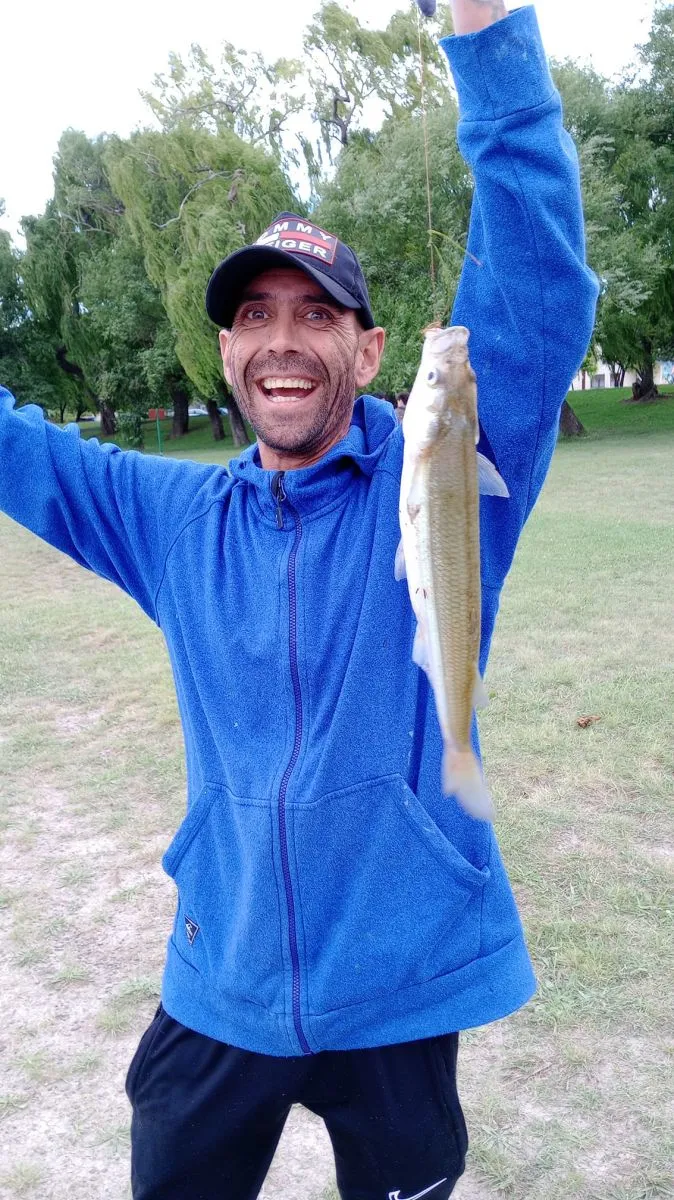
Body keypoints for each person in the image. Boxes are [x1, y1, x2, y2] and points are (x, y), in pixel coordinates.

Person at [0, 2, 598, 1198]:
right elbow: (23, 451)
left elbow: (534, 276)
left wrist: (484, 32)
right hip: (221, 973)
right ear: (225, 353)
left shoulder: (450, 467)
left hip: (399, 971)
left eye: (317, 314)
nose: (281, 340)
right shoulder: (172, 519)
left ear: (370, 355)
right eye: (254, 316)